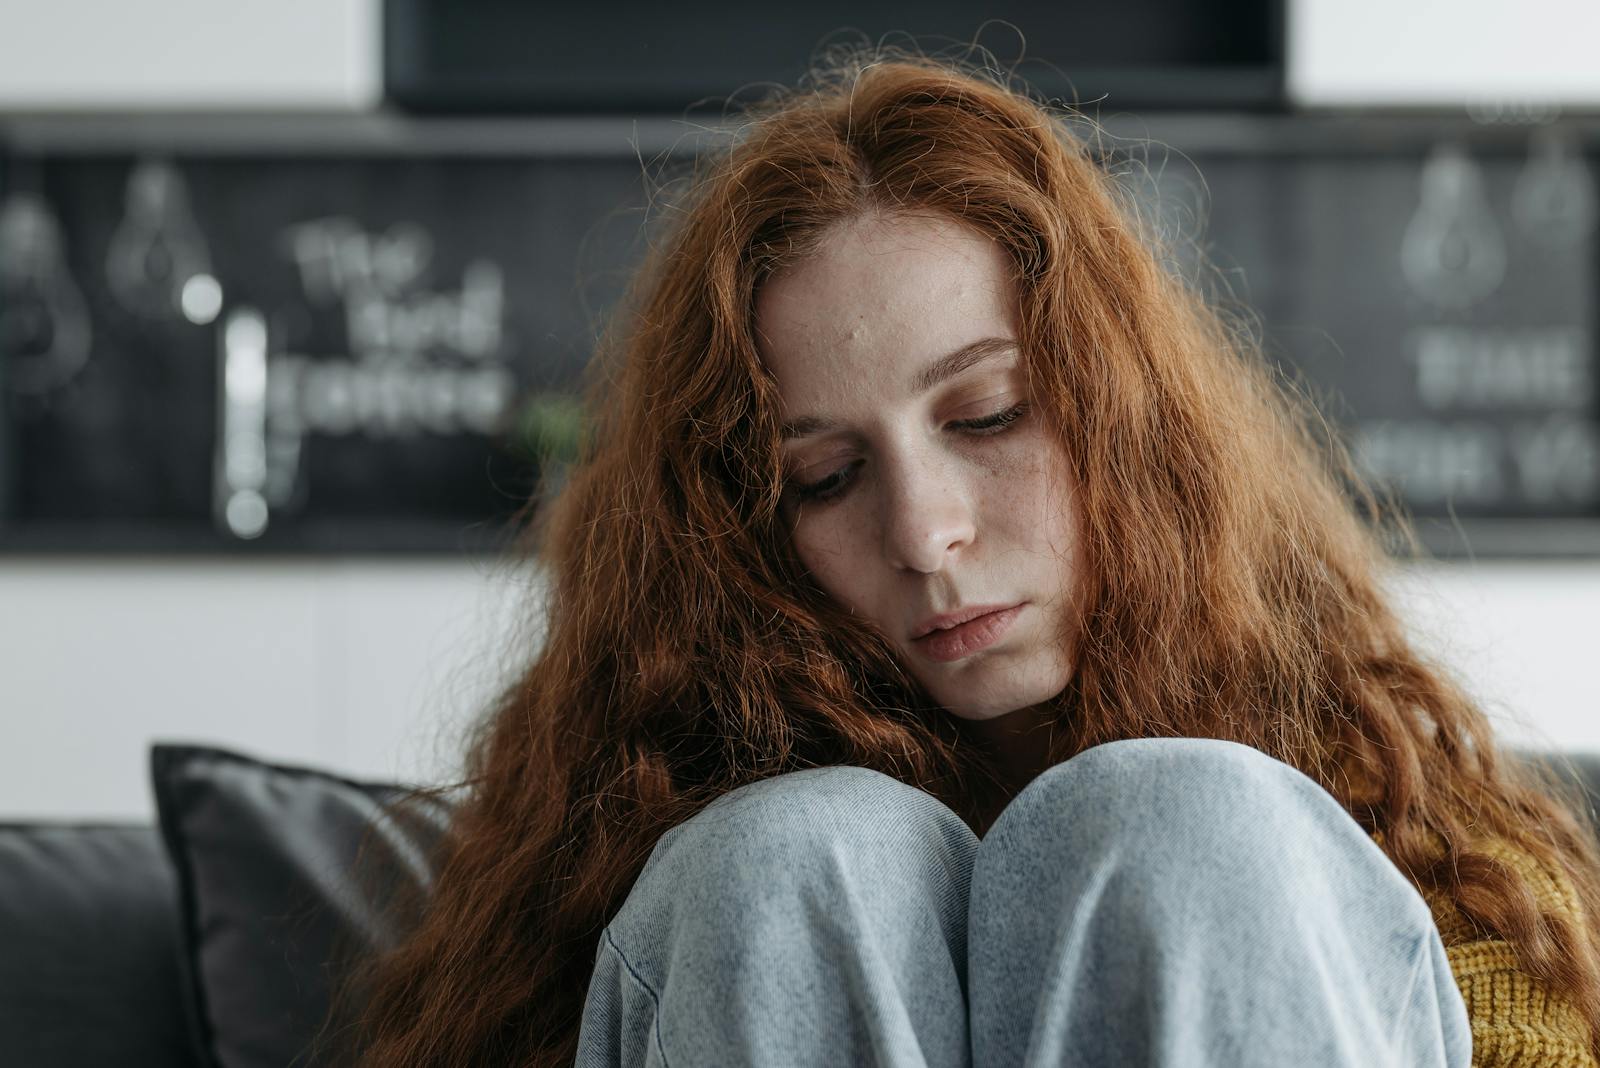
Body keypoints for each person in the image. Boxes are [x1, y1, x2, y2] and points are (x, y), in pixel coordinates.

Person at [347, 50, 1600, 1066]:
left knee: (1183, 819)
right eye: (824, 478)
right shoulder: (666, 831)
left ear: (1125, 419)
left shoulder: (1399, 807)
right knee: (793, 856)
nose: (922, 533)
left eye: (988, 416)